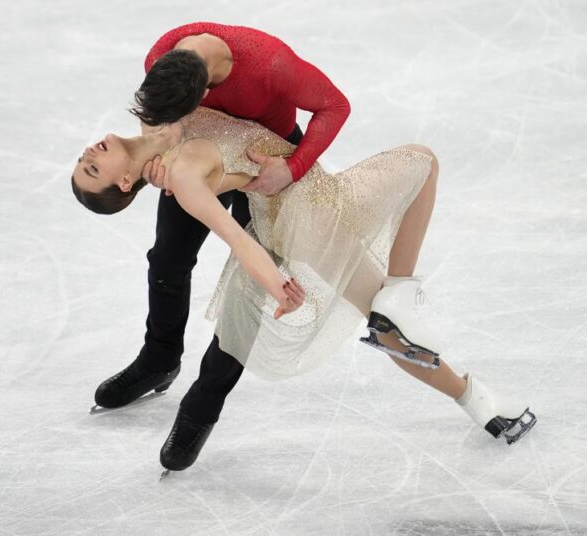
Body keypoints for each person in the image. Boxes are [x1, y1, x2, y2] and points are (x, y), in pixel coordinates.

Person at [71, 105, 537, 474]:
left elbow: (239, 167)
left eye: (83, 161)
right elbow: (236, 234)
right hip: (311, 221)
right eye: (92, 170)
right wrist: (278, 284)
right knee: (422, 161)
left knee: (386, 306)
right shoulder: (182, 173)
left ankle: (431, 340)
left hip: (308, 206)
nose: (88, 155)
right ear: (126, 182)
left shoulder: (164, 118)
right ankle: (465, 386)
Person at [90, 23, 352, 424]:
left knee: (247, 289)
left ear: (207, 95)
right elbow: (154, 119)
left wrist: (293, 168)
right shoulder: (161, 59)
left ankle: (205, 401)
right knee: (167, 260)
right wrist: (164, 147)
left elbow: (335, 105)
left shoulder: (271, 65)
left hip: (267, 161)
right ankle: (159, 359)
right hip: (202, 159)